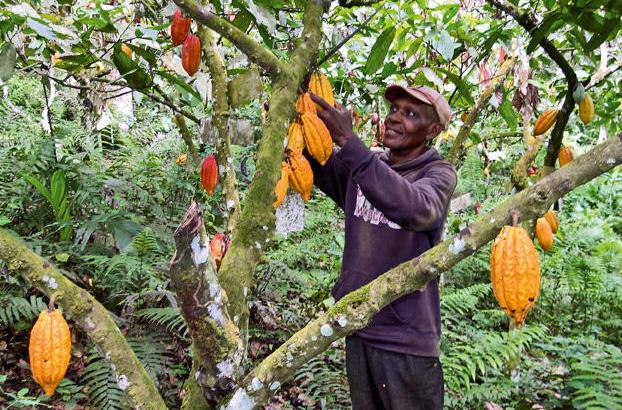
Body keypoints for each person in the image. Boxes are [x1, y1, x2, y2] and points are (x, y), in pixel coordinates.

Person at [307, 84, 457, 410]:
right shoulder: (367, 165)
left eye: (411, 113)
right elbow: (319, 165)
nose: (394, 119)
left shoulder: (438, 174)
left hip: (405, 340)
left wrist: (350, 143)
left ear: (432, 131)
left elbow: (417, 209)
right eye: (394, 110)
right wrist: (298, 121)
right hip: (358, 325)